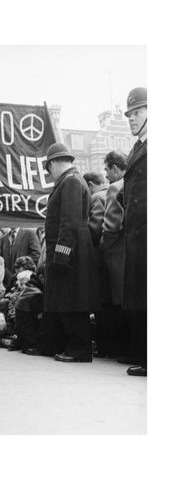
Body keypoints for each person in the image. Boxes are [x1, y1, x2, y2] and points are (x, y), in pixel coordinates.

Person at [40, 142, 99, 363]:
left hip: (71, 252)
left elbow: (70, 223)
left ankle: (79, 349)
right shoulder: (71, 181)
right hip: (73, 250)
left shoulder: (71, 182)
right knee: (71, 299)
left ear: (54, 163)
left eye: (49, 169)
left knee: (73, 301)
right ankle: (75, 347)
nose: (51, 174)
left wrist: (62, 254)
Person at [121, 87, 147, 377]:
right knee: (140, 297)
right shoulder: (139, 147)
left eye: (138, 111)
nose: (131, 118)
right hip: (137, 232)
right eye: (129, 114)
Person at [101, 150, 129, 360]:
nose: (106, 175)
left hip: (116, 253)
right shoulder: (136, 182)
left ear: (115, 168)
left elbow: (111, 225)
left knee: (117, 302)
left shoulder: (114, 187)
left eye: (107, 169)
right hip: (133, 251)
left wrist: (103, 245)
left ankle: (121, 349)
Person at [84, 171, 113, 358]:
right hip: (111, 259)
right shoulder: (110, 192)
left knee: (102, 305)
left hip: (99, 259)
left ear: (90, 184)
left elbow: (94, 229)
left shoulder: (96, 198)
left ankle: (106, 347)